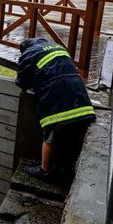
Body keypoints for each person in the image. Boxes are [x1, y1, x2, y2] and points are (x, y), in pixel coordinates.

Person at [15, 38, 96, 181]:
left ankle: (45, 170)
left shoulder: (29, 53)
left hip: (58, 100)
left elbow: (21, 81)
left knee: (51, 134)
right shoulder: (57, 47)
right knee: (70, 134)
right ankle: (61, 166)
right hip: (80, 98)